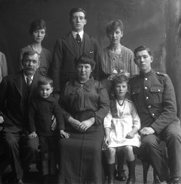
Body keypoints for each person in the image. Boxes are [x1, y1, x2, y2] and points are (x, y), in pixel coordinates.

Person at [129, 46, 181, 184]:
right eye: (138, 58)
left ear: (151, 59)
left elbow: (171, 109)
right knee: (148, 142)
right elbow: (129, 108)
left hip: (168, 122)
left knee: (175, 135)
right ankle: (166, 176)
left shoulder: (163, 79)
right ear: (135, 61)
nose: (142, 60)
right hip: (146, 126)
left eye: (145, 57)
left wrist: (154, 127)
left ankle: (176, 177)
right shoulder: (132, 83)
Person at [58, 53, 110, 183]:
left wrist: (91, 120)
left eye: (86, 67)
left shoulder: (98, 86)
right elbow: (60, 106)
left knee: (93, 148)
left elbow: (105, 107)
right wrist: (70, 119)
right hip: (72, 125)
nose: (83, 70)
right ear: (76, 68)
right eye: (80, 67)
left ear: (91, 68)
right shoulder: (68, 85)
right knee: (64, 145)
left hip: (93, 126)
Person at [0, 50, 44, 184]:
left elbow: (48, 104)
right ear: (22, 63)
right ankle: (18, 178)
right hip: (11, 124)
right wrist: (1, 119)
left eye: (34, 61)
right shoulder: (9, 80)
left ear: (38, 64)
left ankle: (17, 172)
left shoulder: (42, 83)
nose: (30, 64)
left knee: (33, 147)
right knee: (10, 142)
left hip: (32, 127)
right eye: (27, 61)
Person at [101, 20, 139, 181]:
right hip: (108, 95)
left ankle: (121, 169)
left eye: (117, 32)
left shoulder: (129, 53)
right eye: (111, 33)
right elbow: (100, 76)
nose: (114, 36)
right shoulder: (102, 53)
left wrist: (122, 81)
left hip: (124, 95)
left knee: (123, 129)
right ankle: (109, 171)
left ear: (121, 33)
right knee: (112, 128)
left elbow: (134, 75)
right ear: (108, 35)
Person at [50, 7, 103, 100]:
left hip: (89, 90)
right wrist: (56, 91)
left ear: (85, 21)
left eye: (81, 18)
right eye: (75, 18)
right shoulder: (62, 42)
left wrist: (97, 87)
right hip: (67, 88)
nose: (78, 21)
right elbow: (55, 68)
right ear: (70, 20)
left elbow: (97, 68)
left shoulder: (93, 42)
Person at [28, 76, 68, 184]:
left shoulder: (53, 102)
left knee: (53, 155)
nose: (44, 92)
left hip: (53, 134)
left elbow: (59, 116)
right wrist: (32, 131)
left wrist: (61, 130)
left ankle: (53, 175)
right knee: (45, 155)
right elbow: (30, 117)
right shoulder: (35, 102)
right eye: (42, 89)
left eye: (47, 89)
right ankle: (45, 176)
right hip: (41, 134)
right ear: (38, 90)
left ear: (52, 89)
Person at [103, 74, 141, 184]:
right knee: (110, 149)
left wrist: (133, 132)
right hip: (115, 132)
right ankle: (110, 177)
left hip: (128, 132)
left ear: (127, 88)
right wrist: (107, 135)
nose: (120, 89)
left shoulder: (130, 104)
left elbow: (136, 120)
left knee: (128, 148)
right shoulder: (111, 104)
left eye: (123, 86)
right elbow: (107, 120)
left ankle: (132, 176)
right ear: (114, 88)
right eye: (118, 86)